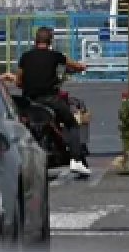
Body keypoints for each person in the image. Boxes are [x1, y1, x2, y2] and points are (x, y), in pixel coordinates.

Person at [14, 26, 91, 176]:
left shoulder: (25, 57)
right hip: (50, 99)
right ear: (50, 41)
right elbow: (73, 65)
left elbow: (18, 81)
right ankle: (76, 160)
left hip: (29, 101)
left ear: (35, 40)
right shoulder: (55, 56)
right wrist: (81, 67)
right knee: (71, 124)